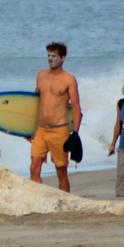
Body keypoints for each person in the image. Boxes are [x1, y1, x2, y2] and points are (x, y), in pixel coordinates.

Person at [30, 42, 82, 192]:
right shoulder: (41, 75)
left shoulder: (69, 79)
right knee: (34, 167)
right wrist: (29, 129)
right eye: (49, 56)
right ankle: (37, 200)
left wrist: (76, 134)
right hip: (41, 129)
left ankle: (64, 202)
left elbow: (76, 106)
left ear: (63, 58)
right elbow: (34, 102)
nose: (50, 59)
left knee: (61, 171)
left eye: (54, 56)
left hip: (59, 131)